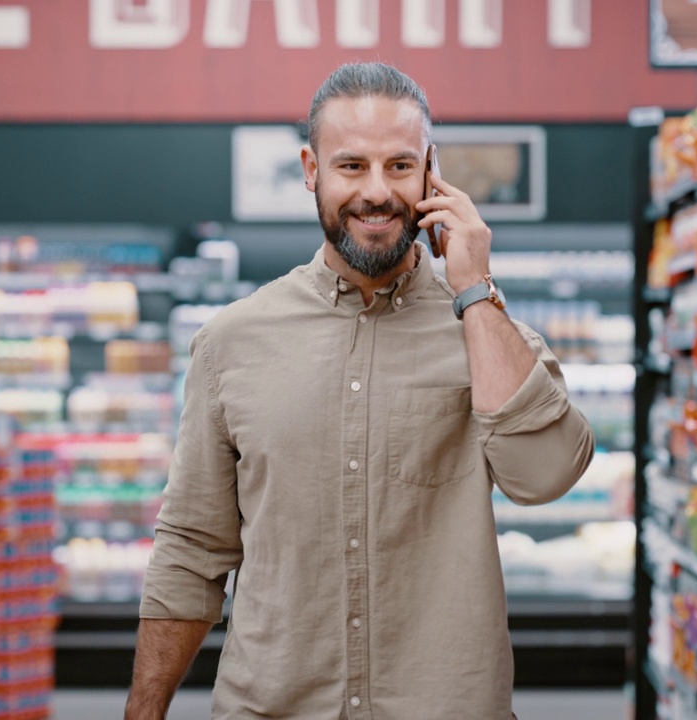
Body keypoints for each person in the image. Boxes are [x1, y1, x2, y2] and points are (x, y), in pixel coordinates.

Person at [126, 62, 595, 720]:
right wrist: (143, 709)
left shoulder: (486, 330)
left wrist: (474, 292)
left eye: (400, 166)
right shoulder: (233, 341)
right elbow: (192, 546)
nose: (377, 192)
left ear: (432, 171)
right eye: (351, 167)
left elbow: (546, 476)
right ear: (311, 170)